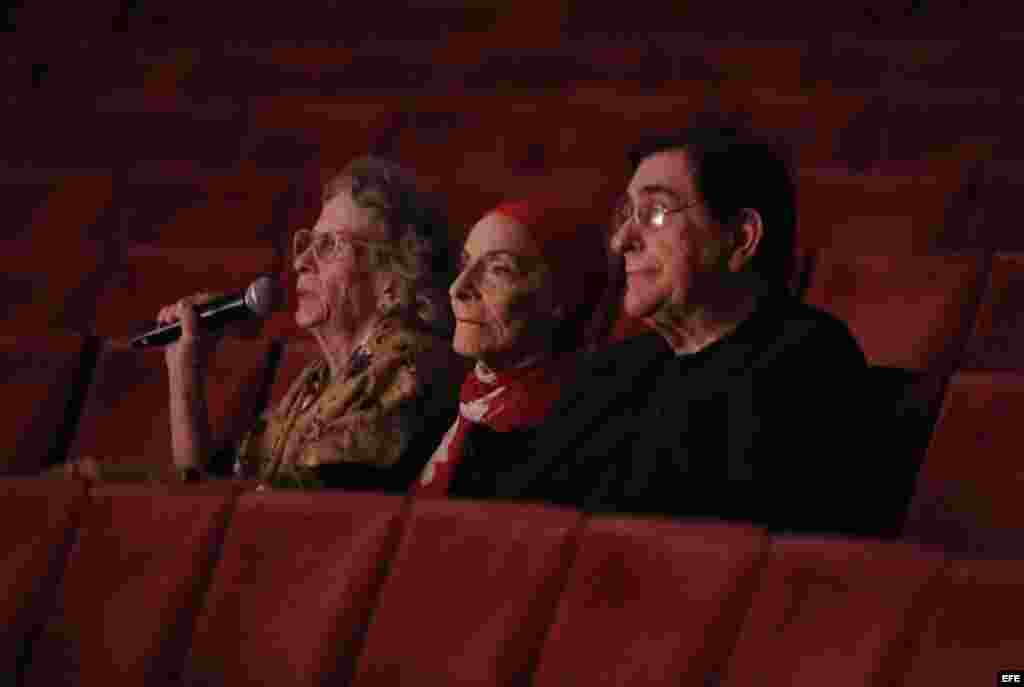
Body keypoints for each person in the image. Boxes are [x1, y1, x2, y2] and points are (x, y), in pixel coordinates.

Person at [455, 126, 904, 538]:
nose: (621, 241)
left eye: (654, 213)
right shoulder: (617, 368)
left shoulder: (806, 363)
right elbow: (519, 518)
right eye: (626, 214)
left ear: (741, 238)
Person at [160, 156, 460, 489]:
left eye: (329, 245)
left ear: (395, 275)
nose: (301, 262)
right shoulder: (316, 381)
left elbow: (293, 506)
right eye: (306, 244)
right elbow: (218, 493)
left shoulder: (411, 366)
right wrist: (184, 373)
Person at [410, 200, 609, 498]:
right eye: (465, 264)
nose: (457, 288)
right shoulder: (459, 399)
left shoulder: (563, 433)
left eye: (499, 270)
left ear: (561, 297)